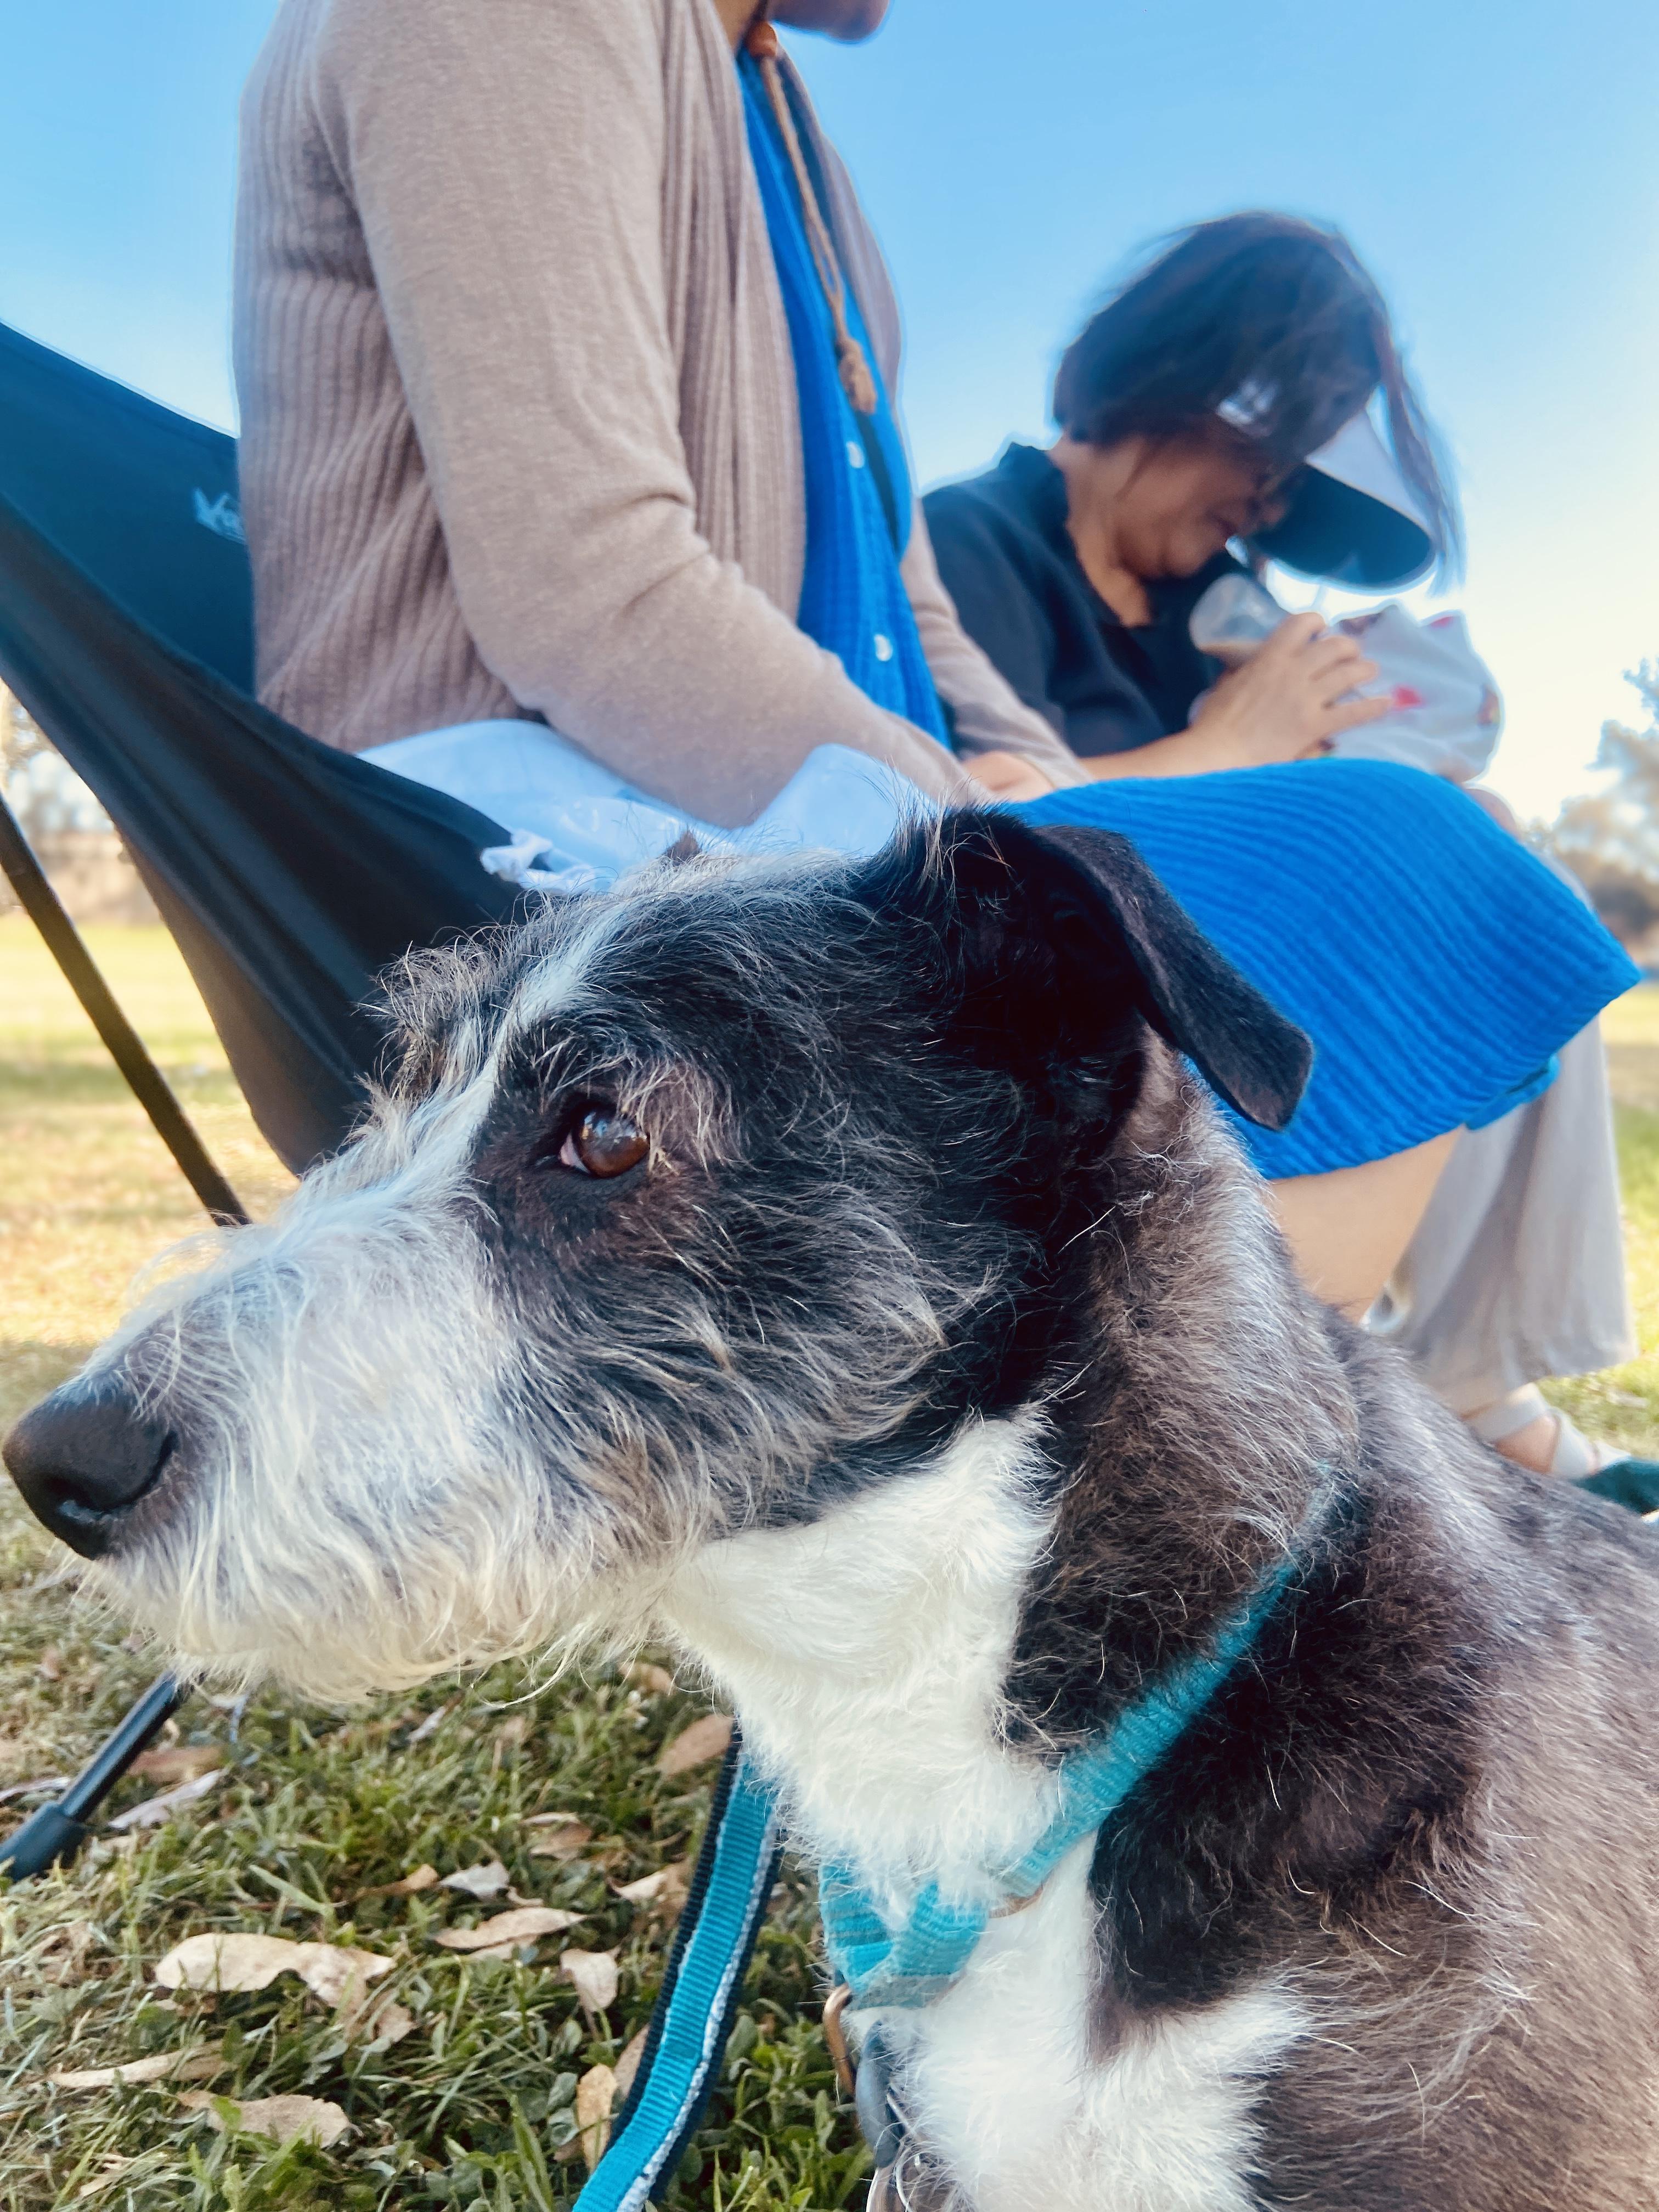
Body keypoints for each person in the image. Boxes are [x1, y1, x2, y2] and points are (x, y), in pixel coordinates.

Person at [233, 2, 1635, 1376]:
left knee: (1420, 851)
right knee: (1405, 858)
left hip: (768, 824)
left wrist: (1030, 796)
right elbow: (591, 587)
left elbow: (913, 619)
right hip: (533, 826)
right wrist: (981, 840)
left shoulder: (782, 133)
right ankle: (1190, 1470)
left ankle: (1336, 1426)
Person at [924, 213, 1643, 1488]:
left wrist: (1329, 742)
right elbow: (971, 826)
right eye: (1252, 479)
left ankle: (1476, 1362)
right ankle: (1393, 1394)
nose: (1253, 517)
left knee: (1490, 852)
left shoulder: (1205, 615)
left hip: (1237, 989)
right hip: (1086, 1018)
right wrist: (1234, 742)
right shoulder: (974, 542)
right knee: (1451, 856)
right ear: (1179, 391)